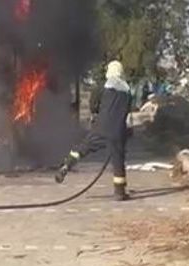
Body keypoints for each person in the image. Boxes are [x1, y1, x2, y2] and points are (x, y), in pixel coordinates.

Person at [55, 60, 132, 201]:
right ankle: (119, 192)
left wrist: (96, 112)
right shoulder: (127, 92)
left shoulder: (102, 88)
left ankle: (67, 164)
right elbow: (126, 112)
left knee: (83, 147)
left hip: (101, 127)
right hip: (117, 131)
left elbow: (93, 105)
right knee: (118, 160)